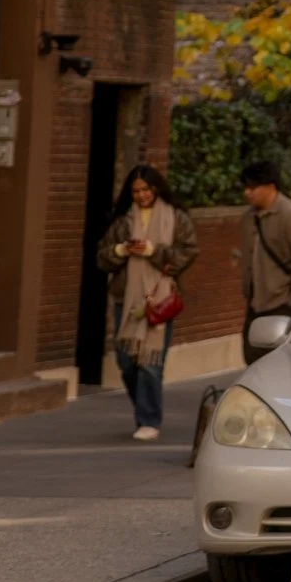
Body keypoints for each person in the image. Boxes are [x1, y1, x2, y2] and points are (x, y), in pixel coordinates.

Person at [96, 165, 198, 440]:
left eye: (146, 190)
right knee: (126, 360)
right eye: (136, 191)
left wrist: (153, 251)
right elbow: (102, 257)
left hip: (159, 297)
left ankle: (149, 420)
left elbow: (188, 252)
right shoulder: (123, 220)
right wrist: (121, 250)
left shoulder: (176, 217)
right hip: (126, 299)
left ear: (156, 189)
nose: (141, 196)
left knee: (151, 363)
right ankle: (144, 408)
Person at [237, 160, 291, 364]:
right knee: (252, 358)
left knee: (277, 362)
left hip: (281, 303)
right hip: (255, 303)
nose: (247, 193)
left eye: (252, 187)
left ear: (270, 187)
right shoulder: (248, 218)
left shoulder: (290, 215)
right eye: (246, 187)